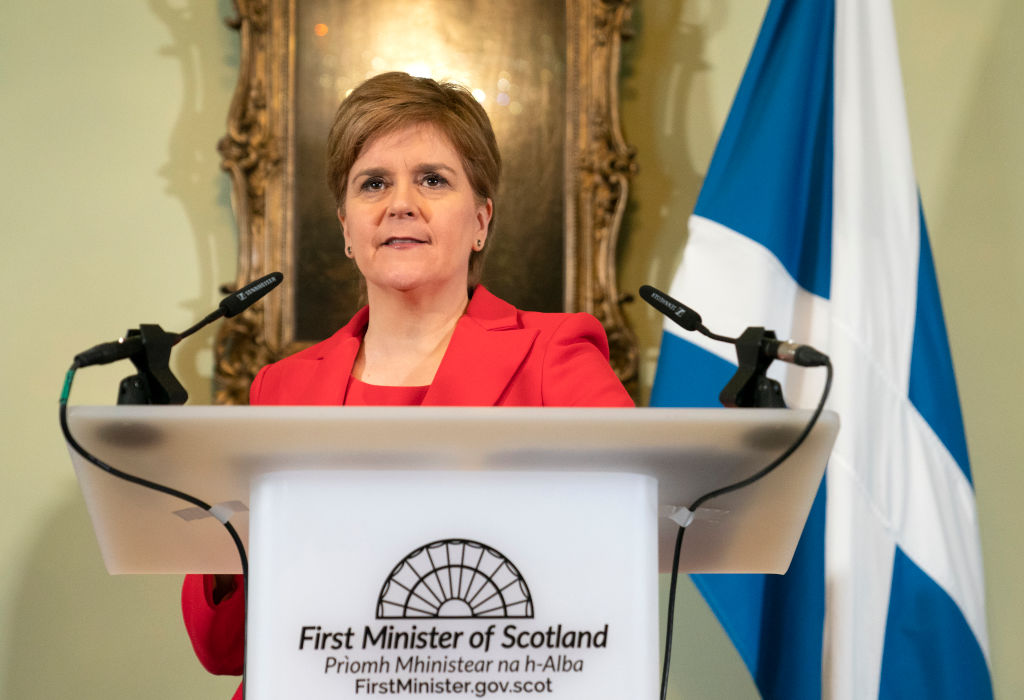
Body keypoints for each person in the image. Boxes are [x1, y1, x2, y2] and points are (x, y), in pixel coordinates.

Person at [180, 71, 633, 699]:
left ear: (481, 220)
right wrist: (229, 532)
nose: (400, 203)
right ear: (346, 226)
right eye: (373, 183)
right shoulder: (280, 389)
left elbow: (618, 570)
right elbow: (222, 649)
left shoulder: (556, 355)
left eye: (432, 179)